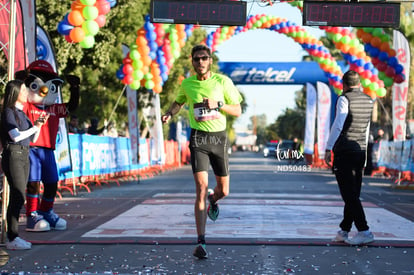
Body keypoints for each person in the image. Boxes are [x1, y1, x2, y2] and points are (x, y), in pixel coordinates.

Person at [161, 44, 242, 259]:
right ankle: (201, 241)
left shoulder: (222, 82)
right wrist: (169, 113)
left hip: (219, 139)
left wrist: (219, 104)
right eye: (196, 59)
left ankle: (213, 201)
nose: (200, 62)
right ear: (192, 61)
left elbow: (238, 110)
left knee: (223, 191)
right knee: (201, 187)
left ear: (210, 60)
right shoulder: (187, 84)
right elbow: (179, 103)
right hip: (198, 138)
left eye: (204, 58)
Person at [324, 70, 375, 245]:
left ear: (344, 85)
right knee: (353, 194)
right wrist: (366, 155)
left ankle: (364, 230)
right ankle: (344, 231)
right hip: (360, 150)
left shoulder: (344, 99)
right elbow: (367, 129)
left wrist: (328, 148)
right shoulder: (369, 100)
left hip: (345, 151)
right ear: (359, 84)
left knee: (349, 195)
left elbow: (339, 125)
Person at [0, 80, 48, 250]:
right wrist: (34, 127)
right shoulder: (8, 112)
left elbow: (31, 139)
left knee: (20, 196)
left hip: (24, 154)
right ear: (15, 93)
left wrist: (39, 126)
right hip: (13, 154)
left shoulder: (23, 114)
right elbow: (15, 135)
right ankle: (12, 237)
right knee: (17, 195)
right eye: (23, 89)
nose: (26, 92)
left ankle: (14, 236)